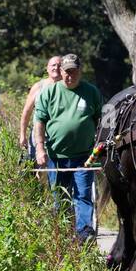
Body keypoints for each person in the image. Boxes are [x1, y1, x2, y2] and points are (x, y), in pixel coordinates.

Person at [33, 54, 103, 242]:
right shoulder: (49, 92)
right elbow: (39, 122)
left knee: (83, 197)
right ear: (61, 72)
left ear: (80, 71)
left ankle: (84, 236)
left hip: (84, 157)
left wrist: (100, 147)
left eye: (73, 72)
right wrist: (40, 148)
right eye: (66, 72)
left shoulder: (91, 92)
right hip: (57, 157)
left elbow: (101, 121)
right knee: (60, 199)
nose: (69, 76)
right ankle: (63, 236)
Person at [19, 55, 63, 158]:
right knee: (40, 170)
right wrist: (22, 135)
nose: (56, 68)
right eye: (53, 65)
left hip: (60, 138)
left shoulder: (68, 88)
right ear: (47, 68)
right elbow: (27, 112)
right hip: (38, 135)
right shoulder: (39, 86)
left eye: (59, 65)